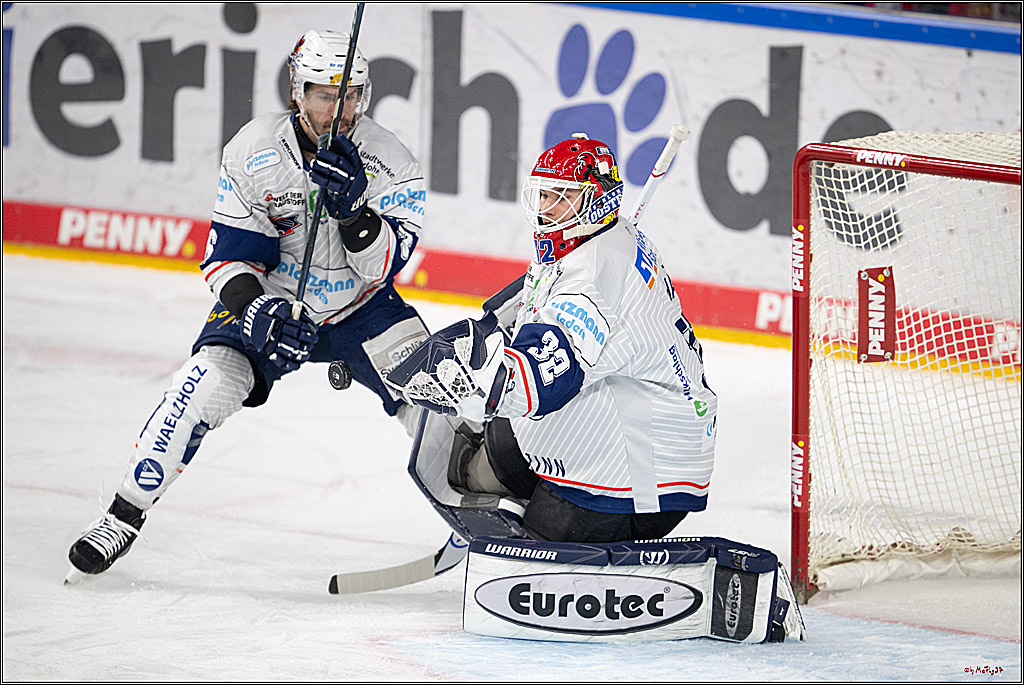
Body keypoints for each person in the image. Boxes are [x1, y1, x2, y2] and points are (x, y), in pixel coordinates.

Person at [67, 29, 429, 579]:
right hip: (275, 298)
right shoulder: (254, 151)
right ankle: (122, 516)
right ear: (297, 91)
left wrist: (355, 211)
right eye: (325, 95)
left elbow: (381, 270)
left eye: (351, 94)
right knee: (197, 388)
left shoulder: (394, 163)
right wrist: (257, 310)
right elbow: (230, 258)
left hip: (362, 309)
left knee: (440, 393)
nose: (339, 109)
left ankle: (485, 514)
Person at [387, 134, 718, 544]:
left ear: (596, 203)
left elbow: (537, 384)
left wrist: (464, 389)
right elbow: (536, 302)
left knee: (530, 550)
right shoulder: (597, 237)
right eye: (543, 195)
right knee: (501, 446)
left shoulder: (593, 277)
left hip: (638, 476)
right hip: (639, 427)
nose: (545, 210)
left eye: (560, 197)